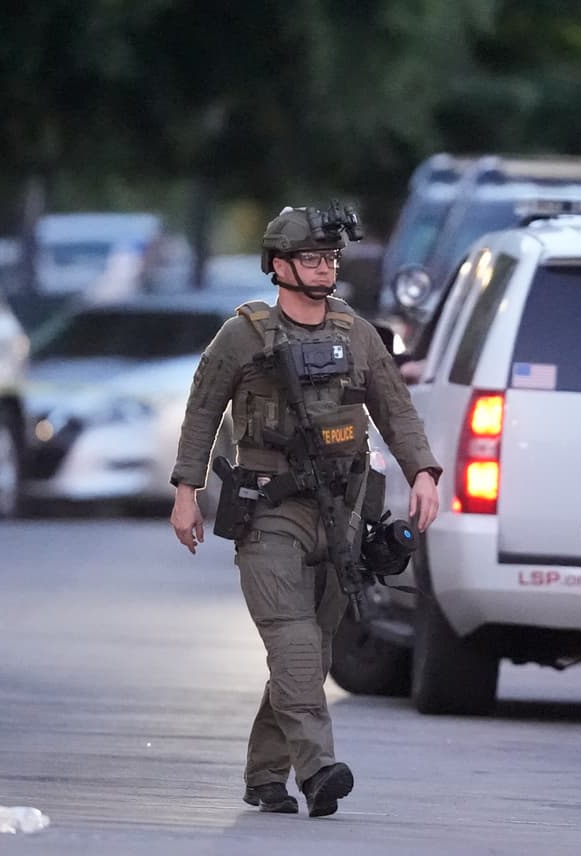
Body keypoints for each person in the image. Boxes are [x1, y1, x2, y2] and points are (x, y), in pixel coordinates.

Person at [168, 204, 442, 817]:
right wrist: (186, 491)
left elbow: (395, 410)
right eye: (314, 258)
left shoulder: (357, 333)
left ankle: (265, 775)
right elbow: (202, 412)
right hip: (270, 512)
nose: (325, 269)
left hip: (342, 511)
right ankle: (317, 769)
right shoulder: (242, 335)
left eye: (331, 259)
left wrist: (423, 471)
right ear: (280, 265)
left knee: (312, 651)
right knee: (293, 642)